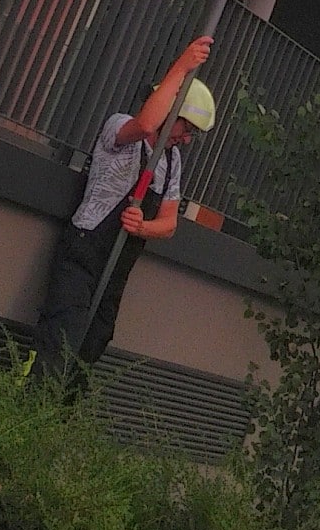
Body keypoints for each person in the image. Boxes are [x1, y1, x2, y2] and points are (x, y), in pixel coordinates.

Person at [32, 34, 214, 377]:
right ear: (170, 110)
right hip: (85, 249)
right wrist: (182, 67)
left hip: (117, 262)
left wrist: (142, 227)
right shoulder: (119, 127)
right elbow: (145, 124)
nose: (186, 139)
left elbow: (169, 223)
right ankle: (34, 395)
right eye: (186, 127)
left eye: (193, 134)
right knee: (63, 333)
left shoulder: (172, 161)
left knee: (95, 339)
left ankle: (64, 406)